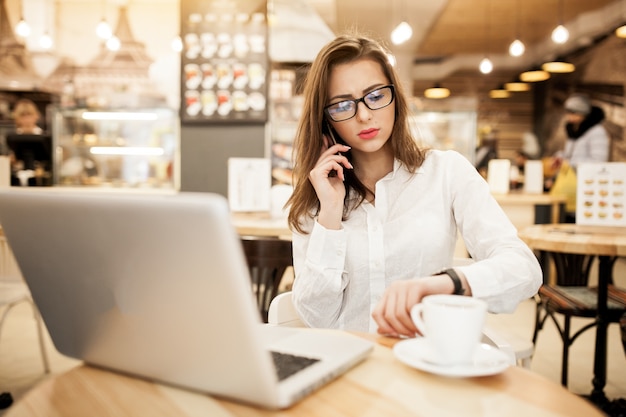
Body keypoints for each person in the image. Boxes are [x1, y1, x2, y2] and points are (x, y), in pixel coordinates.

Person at [285, 34, 542, 338]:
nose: (364, 115)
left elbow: (524, 269)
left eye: (376, 96)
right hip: (349, 366)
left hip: (425, 364)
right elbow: (318, 318)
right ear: (326, 119)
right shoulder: (317, 197)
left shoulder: (446, 172)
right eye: (342, 105)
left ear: (396, 97)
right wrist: (329, 211)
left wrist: (448, 283)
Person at [555, 94, 609, 170]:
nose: (569, 116)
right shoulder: (574, 129)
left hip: (587, 178)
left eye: (573, 112)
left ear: (583, 113)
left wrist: (569, 163)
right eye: (568, 112)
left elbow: (598, 161)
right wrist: (560, 157)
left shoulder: (597, 132)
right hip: (571, 176)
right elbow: (571, 154)